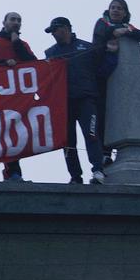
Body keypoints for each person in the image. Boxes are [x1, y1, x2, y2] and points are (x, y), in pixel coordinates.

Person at [44, 17, 118, 185]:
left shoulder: (87, 47)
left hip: (87, 100)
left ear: (66, 28)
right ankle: (75, 176)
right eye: (52, 31)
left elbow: (101, 72)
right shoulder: (50, 53)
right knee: (68, 142)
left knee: (92, 135)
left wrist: (112, 56)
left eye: (55, 30)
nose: (53, 34)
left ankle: (98, 170)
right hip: (64, 103)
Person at [0, 12, 36, 182]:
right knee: (6, 134)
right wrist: (4, 64)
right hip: (1, 98)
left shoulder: (23, 44)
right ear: (4, 22)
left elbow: (34, 64)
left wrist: (16, 43)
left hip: (20, 99)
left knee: (18, 135)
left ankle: (14, 172)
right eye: (13, 19)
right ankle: (11, 172)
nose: (16, 23)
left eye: (19, 20)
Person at [92, 0, 140, 166]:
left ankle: (108, 152)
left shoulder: (127, 26)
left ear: (125, 12)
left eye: (119, 8)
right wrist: (117, 31)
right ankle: (103, 154)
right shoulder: (102, 22)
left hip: (118, 75)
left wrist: (126, 31)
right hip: (100, 73)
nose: (115, 10)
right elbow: (104, 33)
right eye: (113, 7)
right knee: (101, 115)